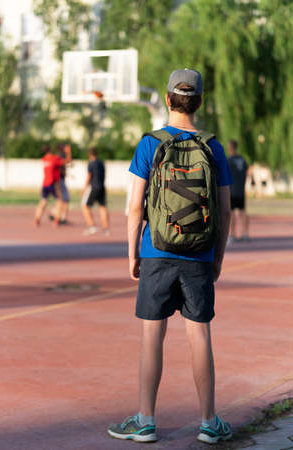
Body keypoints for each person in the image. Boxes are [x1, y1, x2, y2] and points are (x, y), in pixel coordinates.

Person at [107, 69, 233, 444]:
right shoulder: (214, 147)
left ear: (166, 100)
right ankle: (209, 422)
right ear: (200, 102)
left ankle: (145, 420)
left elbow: (134, 206)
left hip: (156, 250)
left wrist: (133, 253)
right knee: (200, 336)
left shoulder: (150, 143)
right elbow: (224, 211)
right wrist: (218, 257)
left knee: (152, 335)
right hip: (199, 254)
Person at [34, 145, 70, 226]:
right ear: (50, 150)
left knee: (43, 201)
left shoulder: (44, 159)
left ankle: (37, 219)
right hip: (53, 183)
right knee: (60, 201)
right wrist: (68, 152)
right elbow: (67, 161)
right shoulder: (54, 158)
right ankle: (56, 220)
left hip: (45, 183)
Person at [81, 147, 109, 235]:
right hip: (102, 187)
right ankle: (105, 229)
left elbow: (89, 176)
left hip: (94, 187)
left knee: (85, 206)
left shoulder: (91, 163)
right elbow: (104, 175)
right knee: (102, 207)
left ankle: (92, 226)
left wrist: (84, 188)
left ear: (89, 154)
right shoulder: (101, 163)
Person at [227, 139, 249, 242]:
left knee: (231, 213)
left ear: (230, 147)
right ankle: (245, 234)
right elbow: (246, 172)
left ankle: (232, 235)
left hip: (231, 190)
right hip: (241, 190)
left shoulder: (229, 160)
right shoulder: (242, 160)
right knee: (243, 212)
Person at [50, 143, 72, 225]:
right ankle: (62, 217)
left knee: (60, 199)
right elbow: (68, 161)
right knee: (65, 199)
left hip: (59, 180)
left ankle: (54, 213)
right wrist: (69, 152)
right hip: (60, 180)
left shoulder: (58, 155)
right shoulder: (62, 155)